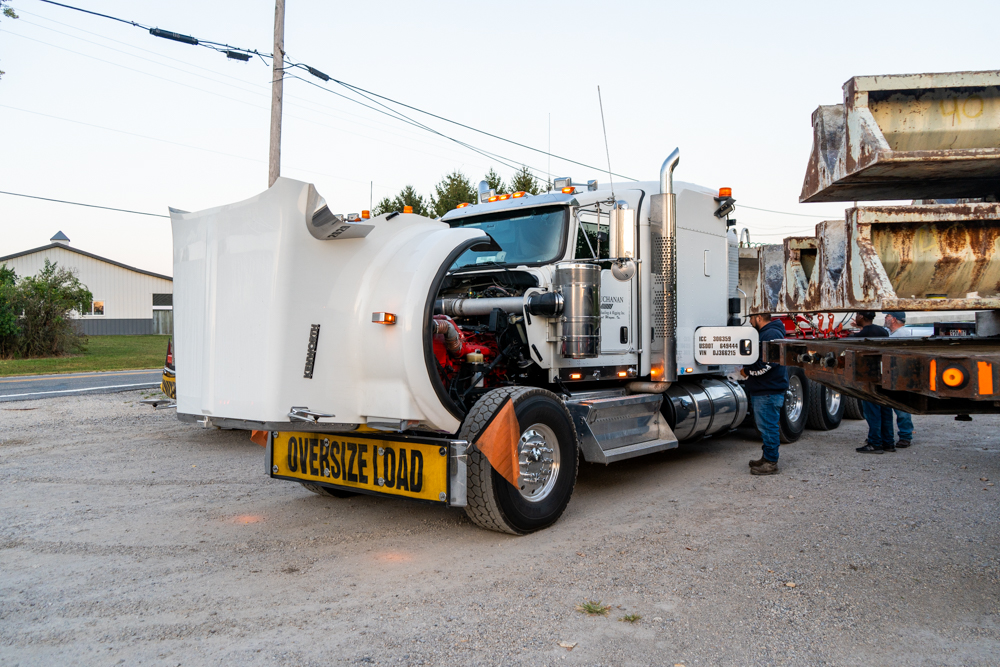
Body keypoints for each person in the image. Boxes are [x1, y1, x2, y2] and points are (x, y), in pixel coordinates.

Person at [742, 312, 789, 475]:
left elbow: (767, 364)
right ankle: (767, 457)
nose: (749, 321)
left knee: (768, 427)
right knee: (765, 427)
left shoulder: (771, 334)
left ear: (759, 318)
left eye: (751, 318)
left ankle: (770, 462)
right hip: (765, 389)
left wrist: (746, 371)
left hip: (768, 390)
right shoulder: (767, 333)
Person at [852, 311, 893, 454]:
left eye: (857, 315)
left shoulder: (860, 335)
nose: (855, 317)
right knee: (886, 410)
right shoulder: (882, 331)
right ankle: (888, 442)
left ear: (862, 317)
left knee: (872, 412)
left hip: (869, 377)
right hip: (884, 375)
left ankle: (875, 443)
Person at [883, 311, 914, 448]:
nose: (885, 318)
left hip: (900, 376)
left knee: (901, 409)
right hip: (893, 375)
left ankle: (905, 436)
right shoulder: (892, 333)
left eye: (887, 316)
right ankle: (897, 435)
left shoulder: (902, 335)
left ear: (893, 319)